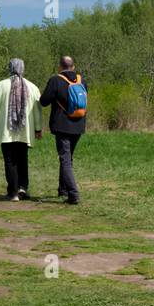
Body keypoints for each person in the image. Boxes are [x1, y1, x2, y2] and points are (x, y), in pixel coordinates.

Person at [0, 58, 44, 201]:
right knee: (23, 159)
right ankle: (22, 188)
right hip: (25, 131)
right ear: (22, 69)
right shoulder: (32, 87)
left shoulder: (0, 86)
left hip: (6, 131)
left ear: (9, 68)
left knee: (10, 160)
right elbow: (37, 111)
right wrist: (38, 129)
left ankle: (13, 192)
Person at [40, 55, 88, 205]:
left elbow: (44, 101)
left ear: (60, 67)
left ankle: (73, 194)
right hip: (79, 124)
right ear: (73, 66)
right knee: (68, 158)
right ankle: (63, 189)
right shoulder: (81, 80)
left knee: (65, 159)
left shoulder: (56, 80)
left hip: (62, 126)